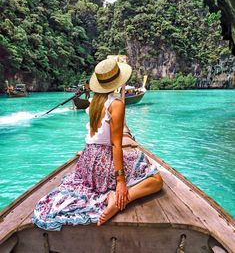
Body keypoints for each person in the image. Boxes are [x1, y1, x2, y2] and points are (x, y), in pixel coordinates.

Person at [32, 58, 163, 231]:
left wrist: (86, 153)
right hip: (102, 162)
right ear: (118, 80)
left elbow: (93, 134)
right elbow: (116, 145)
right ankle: (118, 200)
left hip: (87, 161)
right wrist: (121, 182)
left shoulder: (94, 102)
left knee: (137, 157)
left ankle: (114, 192)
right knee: (156, 180)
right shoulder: (116, 104)